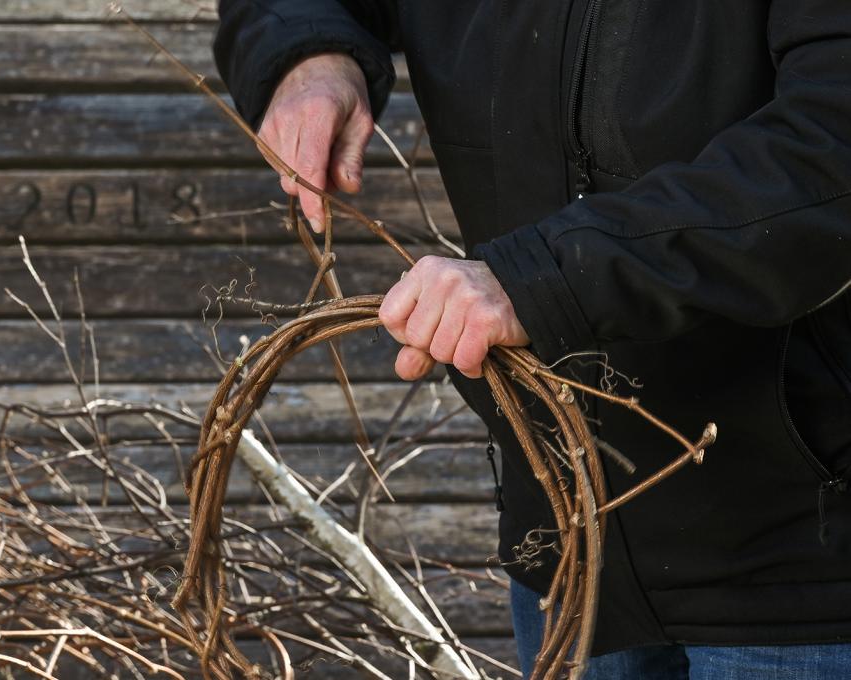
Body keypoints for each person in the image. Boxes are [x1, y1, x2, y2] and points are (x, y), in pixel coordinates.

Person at [214, 2, 851, 677]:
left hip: (806, 567)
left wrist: (545, 279)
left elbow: (832, 143)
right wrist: (305, 52)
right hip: (567, 556)